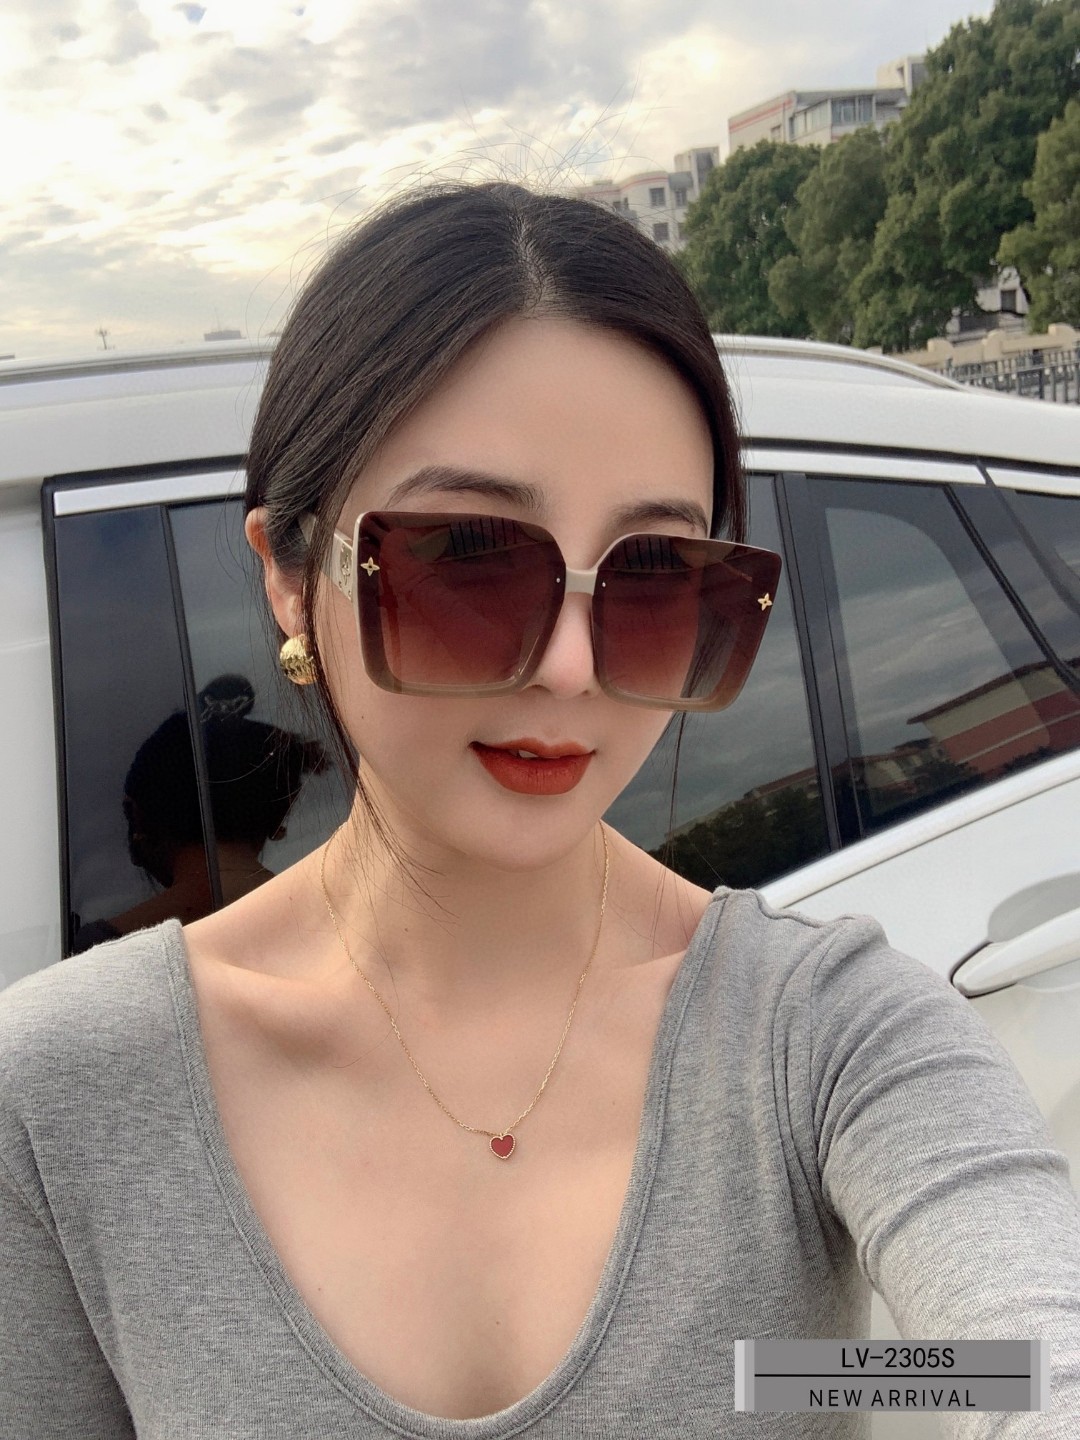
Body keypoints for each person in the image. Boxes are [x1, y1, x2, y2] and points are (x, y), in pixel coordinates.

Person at [1, 182, 1078, 1438]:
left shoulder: (832, 1036)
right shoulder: (66, 1095)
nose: (570, 666)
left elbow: (1017, 1368)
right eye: (467, 556)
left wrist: (797, 1380)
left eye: (657, 573)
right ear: (291, 577)